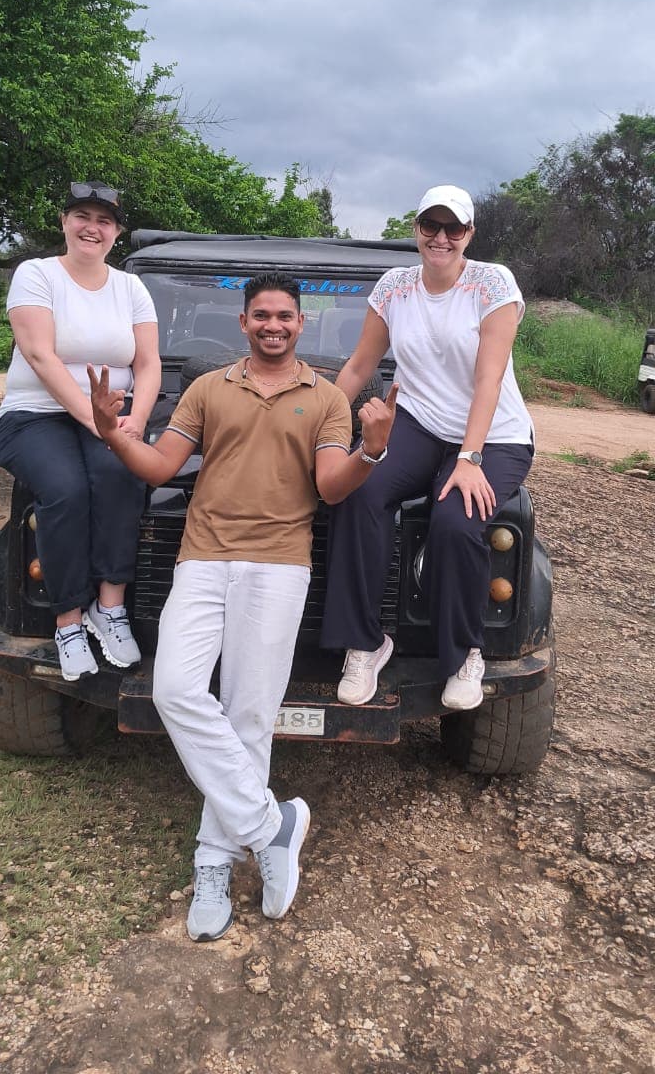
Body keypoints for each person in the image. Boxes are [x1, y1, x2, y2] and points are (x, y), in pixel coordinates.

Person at [88, 272, 397, 942]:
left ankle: (213, 864)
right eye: (262, 315)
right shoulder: (207, 389)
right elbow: (162, 467)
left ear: (300, 324)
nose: (274, 326)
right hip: (202, 558)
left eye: (285, 316)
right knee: (174, 689)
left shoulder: (325, 398)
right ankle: (269, 827)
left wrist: (371, 450)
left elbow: (331, 487)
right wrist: (113, 433)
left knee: (249, 714)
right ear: (244, 322)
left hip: (279, 565)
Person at [320, 185, 534, 711]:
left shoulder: (491, 283)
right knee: (358, 494)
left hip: (495, 434)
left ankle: (464, 655)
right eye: (430, 227)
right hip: (417, 422)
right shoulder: (395, 286)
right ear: (416, 229)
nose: (440, 238)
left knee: (457, 521)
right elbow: (358, 367)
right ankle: (366, 643)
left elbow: (489, 378)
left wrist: (469, 457)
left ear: (469, 234)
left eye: (452, 228)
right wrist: (306, 425)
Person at [0, 181, 161, 682]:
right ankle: (67, 618)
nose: (93, 227)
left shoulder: (130, 287)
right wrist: (97, 421)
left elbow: (148, 363)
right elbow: (41, 355)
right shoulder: (36, 275)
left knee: (122, 476)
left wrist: (135, 420)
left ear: (117, 233)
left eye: (104, 220)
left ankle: (109, 608)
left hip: (113, 411)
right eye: (82, 216)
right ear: (65, 223)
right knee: (63, 489)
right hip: (34, 413)